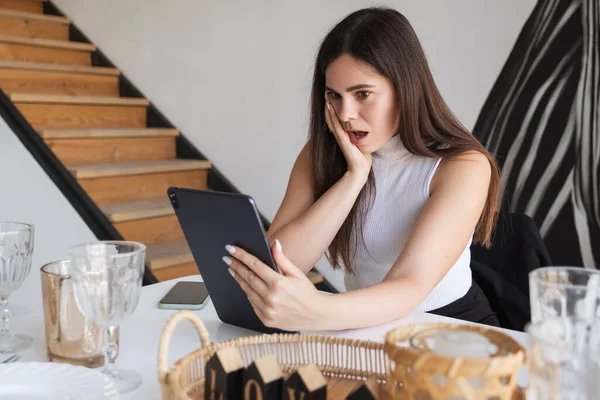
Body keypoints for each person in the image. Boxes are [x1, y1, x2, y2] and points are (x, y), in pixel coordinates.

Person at [222, 6, 501, 331]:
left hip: (450, 330)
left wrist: (317, 311)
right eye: (334, 96)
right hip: (363, 326)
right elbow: (277, 267)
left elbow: (409, 286)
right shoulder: (322, 153)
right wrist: (353, 179)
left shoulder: (463, 166)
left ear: (405, 88)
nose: (345, 114)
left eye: (363, 94)